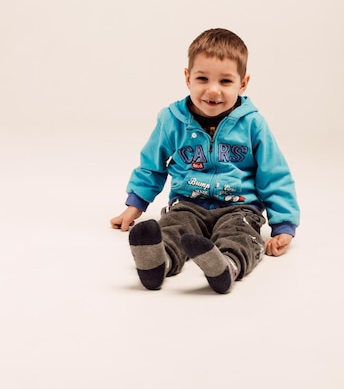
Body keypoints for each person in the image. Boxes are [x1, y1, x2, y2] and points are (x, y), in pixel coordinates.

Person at [111, 28, 300, 294]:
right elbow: (152, 164)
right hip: (188, 203)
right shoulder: (172, 120)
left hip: (240, 207)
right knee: (174, 228)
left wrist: (284, 224)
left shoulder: (252, 123)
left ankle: (226, 265)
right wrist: (136, 204)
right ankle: (158, 262)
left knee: (240, 234)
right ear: (188, 78)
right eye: (202, 78)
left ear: (242, 83)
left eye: (225, 82)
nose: (213, 91)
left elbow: (274, 173)